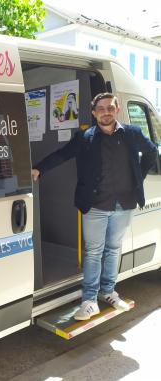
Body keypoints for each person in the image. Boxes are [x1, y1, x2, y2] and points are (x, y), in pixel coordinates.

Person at [32, 92, 157, 320]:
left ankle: (108, 291)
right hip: (95, 205)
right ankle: (89, 300)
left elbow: (151, 151)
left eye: (110, 108)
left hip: (124, 204)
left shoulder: (132, 133)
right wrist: (39, 168)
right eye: (101, 109)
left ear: (117, 109)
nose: (106, 112)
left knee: (113, 248)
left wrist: (139, 174)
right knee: (93, 252)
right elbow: (62, 155)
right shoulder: (85, 137)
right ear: (94, 112)